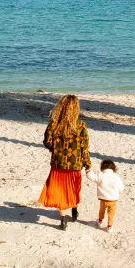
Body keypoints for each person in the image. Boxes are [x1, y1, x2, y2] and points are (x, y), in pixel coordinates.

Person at [39, 94, 91, 230]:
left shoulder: (53, 125)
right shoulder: (80, 126)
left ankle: (63, 220)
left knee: (60, 192)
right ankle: (74, 209)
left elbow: (47, 142)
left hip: (58, 164)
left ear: (61, 107)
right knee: (73, 189)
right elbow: (84, 148)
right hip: (75, 165)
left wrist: (55, 149)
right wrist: (87, 164)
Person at [86, 159, 124, 233]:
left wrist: (88, 171)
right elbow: (121, 188)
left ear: (102, 167)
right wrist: (119, 192)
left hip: (103, 199)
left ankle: (100, 221)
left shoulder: (101, 175)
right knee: (111, 213)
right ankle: (109, 226)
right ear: (113, 167)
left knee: (102, 211)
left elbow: (92, 176)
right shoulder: (116, 177)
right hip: (113, 200)